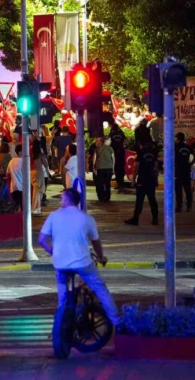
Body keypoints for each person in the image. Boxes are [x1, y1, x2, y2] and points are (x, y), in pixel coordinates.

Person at [38, 188, 119, 326]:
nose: (60, 201)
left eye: (62, 198)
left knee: (62, 293)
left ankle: (61, 322)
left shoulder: (53, 216)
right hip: (83, 263)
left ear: (67, 200)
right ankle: (117, 322)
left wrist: (54, 252)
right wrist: (101, 257)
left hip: (61, 264)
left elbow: (42, 240)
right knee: (101, 289)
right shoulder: (87, 218)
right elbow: (96, 242)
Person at [124, 139, 159, 226]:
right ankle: (155, 218)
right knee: (152, 199)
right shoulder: (153, 153)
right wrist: (156, 179)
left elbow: (137, 167)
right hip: (151, 179)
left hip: (142, 179)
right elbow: (156, 168)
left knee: (139, 200)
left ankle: (135, 219)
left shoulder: (141, 153)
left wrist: (133, 180)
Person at [175, 132, 193, 213]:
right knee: (188, 189)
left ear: (178, 138)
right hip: (186, 170)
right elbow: (193, 156)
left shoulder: (176, 147)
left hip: (178, 171)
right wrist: (190, 163)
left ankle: (179, 207)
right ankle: (189, 206)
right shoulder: (188, 147)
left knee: (178, 190)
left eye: (175, 138)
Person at [94, 137, 115, 203]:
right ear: (106, 140)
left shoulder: (98, 148)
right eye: (109, 140)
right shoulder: (110, 148)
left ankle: (101, 197)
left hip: (100, 167)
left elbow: (94, 158)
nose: (110, 141)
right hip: (108, 168)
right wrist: (113, 168)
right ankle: (107, 197)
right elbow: (113, 159)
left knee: (100, 183)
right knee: (107, 183)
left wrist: (94, 167)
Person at [109, 123, 127, 192]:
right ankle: (121, 184)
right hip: (121, 152)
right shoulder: (121, 133)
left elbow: (109, 142)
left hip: (114, 152)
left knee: (116, 168)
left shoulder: (112, 133)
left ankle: (119, 184)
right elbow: (126, 141)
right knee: (121, 168)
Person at [6, 144, 24, 209]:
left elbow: (7, 174)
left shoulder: (11, 161)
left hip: (13, 187)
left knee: (15, 206)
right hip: (22, 187)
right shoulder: (23, 161)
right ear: (20, 152)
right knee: (23, 207)